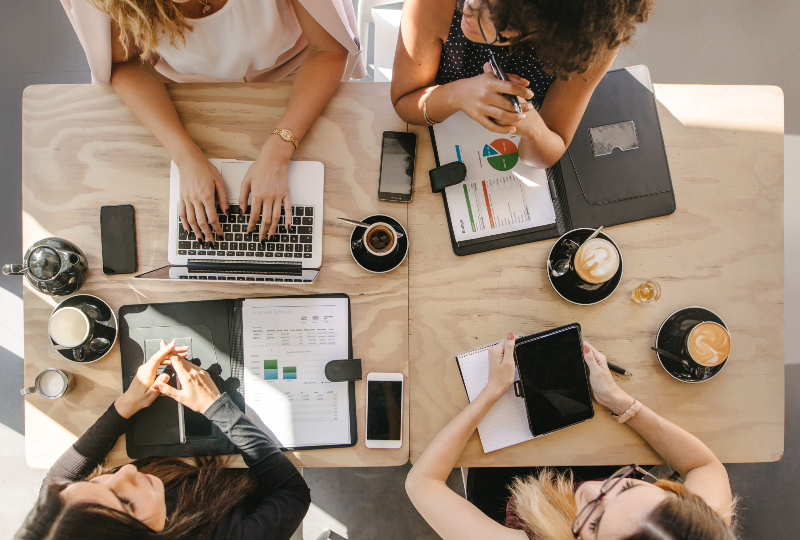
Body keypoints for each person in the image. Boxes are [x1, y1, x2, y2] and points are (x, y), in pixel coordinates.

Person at [60, 0, 364, 244]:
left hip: (297, 78)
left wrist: (279, 148)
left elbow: (327, 49)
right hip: (186, 93)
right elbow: (125, 62)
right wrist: (186, 157)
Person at [405, 333, 738, 540]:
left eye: (594, 524)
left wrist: (491, 392)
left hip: (507, 484)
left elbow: (423, 484)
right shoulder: (694, 529)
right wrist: (619, 401)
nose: (592, 489)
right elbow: (704, 466)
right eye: (627, 486)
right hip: (599, 449)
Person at [15, 340, 310, 540]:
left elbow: (57, 479)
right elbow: (293, 493)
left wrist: (126, 406)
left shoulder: (64, 522)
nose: (128, 472)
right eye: (126, 502)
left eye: (94, 483)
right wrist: (216, 408)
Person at [391, 0, 652, 169]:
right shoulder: (436, 4)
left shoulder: (589, 42)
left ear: (549, 30)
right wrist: (457, 95)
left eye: (495, 12)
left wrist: (532, 127)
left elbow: (551, 146)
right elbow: (404, 102)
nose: (469, 6)